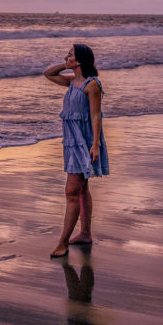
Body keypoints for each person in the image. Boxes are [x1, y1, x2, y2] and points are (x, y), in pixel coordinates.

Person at [44, 43, 109, 258]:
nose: (66, 57)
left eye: (70, 55)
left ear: (79, 60)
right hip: (72, 142)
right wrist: (67, 64)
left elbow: (96, 116)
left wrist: (96, 144)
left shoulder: (92, 85)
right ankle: (85, 234)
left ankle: (62, 244)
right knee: (81, 190)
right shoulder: (72, 82)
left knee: (72, 192)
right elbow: (48, 73)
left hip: (85, 144)